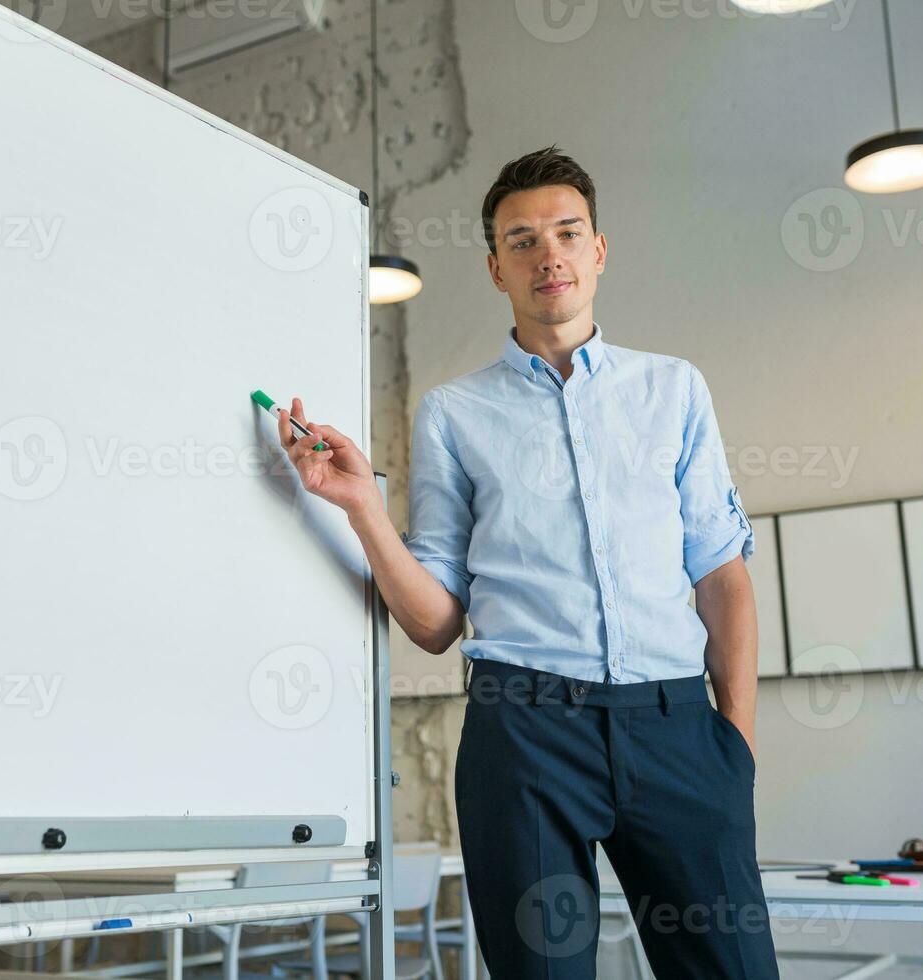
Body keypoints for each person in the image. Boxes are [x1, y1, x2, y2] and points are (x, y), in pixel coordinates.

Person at [273, 145, 777, 977]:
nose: (549, 254)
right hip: (526, 734)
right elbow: (436, 623)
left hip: (680, 730)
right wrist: (364, 508)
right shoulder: (452, 414)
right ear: (495, 268)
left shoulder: (674, 390)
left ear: (598, 251)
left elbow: (723, 577)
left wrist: (737, 745)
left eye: (567, 233)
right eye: (522, 241)